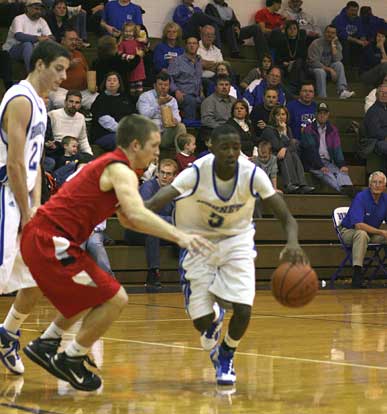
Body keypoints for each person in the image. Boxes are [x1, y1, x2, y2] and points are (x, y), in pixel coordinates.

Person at [20, 114, 212, 391]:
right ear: (136, 145)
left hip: (51, 238)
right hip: (50, 237)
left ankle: (47, 343)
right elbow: (135, 213)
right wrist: (181, 235)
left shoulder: (120, 171)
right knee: (114, 298)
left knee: (93, 293)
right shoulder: (119, 169)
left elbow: (128, 219)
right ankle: (70, 357)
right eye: (154, 145)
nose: (158, 152)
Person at [145, 124, 308, 387]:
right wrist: (132, 207)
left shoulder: (252, 173)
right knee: (202, 322)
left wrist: (293, 242)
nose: (232, 152)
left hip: (237, 241)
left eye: (236, 147)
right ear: (212, 147)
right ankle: (213, 319)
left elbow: (286, 217)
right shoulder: (197, 171)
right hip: (199, 241)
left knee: (244, 308)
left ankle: (227, 355)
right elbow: (157, 200)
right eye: (225, 147)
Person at [0, 40, 70, 376]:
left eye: (66, 70)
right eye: (59, 68)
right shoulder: (20, 99)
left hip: (25, 198)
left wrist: (37, 207)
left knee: (39, 273)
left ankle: (7, 333)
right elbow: (14, 162)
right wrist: (26, 212)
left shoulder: (41, 104)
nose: (64, 76)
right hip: (5, 195)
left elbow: (36, 163)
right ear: (39, 64)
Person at [124, 158, 179, 292]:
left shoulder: (176, 191)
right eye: (162, 173)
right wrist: (175, 222)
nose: (165, 176)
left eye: (169, 174)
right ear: (157, 173)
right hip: (136, 230)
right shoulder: (148, 187)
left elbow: (182, 215)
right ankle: (153, 273)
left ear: (175, 176)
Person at [339, 171, 387, 288]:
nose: (377, 185)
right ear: (369, 185)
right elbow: (358, 225)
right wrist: (381, 232)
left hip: (371, 233)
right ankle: (357, 275)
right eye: (374, 182)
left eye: (380, 182)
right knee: (361, 234)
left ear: (384, 186)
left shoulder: (385, 199)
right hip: (349, 232)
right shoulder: (361, 197)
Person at [300, 102, 354, 196]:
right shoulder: (308, 129)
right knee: (327, 174)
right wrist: (320, 166)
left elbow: (337, 149)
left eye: (324, 113)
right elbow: (311, 151)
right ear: (316, 114)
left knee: (341, 172)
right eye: (320, 113)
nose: (322, 115)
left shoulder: (333, 130)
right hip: (313, 163)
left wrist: (342, 165)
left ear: (328, 114)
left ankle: (349, 189)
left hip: (328, 162)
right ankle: (344, 191)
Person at [261, 105, 314, 194]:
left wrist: (285, 146)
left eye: (283, 114)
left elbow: (293, 145)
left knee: (292, 153)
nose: (281, 117)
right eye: (278, 115)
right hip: (272, 158)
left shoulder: (287, 128)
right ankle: (289, 184)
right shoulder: (268, 130)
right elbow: (277, 146)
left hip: (285, 155)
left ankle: (302, 184)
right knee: (288, 153)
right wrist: (284, 135)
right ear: (274, 117)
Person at [137, 72, 186, 155]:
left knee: (181, 126)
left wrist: (175, 120)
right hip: (150, 135)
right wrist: (158, 104)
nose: (163, 87)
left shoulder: (172, 100)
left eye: (166, 85)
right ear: (155, 85)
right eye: (160, 84)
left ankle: (182, 156)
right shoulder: (145, 97)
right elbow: (144, 115)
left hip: (166, 134)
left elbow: (178, 117)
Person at [205, 0, 269, 60]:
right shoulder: (211, 6)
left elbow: (236, 22)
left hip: (233, 32)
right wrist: (230, 24)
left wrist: (237, 27)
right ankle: (235, 52)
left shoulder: (229, 9)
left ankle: (264, 57)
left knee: (256, 28)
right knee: (229, 27)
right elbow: (215, 21)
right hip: (221, 33)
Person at [2, 0, 54, 71]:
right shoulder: (19, 19)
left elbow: (50, 37)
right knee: (27, 44)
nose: (39, 11)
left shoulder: (42, 21)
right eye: (36, 9)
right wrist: (38, 38)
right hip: (13, 49)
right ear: (27, 8)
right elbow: (19, 36)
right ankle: (31, 73)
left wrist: (49, 38)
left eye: (40, 9)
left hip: (35, 50)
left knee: (49, 46)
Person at [90, 71, 135, 152]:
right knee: (123, 142)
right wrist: (124, 132)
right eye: (109, 80)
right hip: (104, 134)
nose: (112, 82)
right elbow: (106, 121)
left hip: (125, 132)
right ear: (105, 83)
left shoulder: (125, 98)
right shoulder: (101, 99)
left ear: (119, 84)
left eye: (114, 80)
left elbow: (132, 116)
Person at [307, 25, 355, 99]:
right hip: (314, 68)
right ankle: (322, 96)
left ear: (335, 35)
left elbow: (338, 59)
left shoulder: (337, 43)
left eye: (333, 33)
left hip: (328, 67)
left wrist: (333, 45)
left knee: (339, 64)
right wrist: (329, 69)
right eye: (328, 32)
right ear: (324, 33)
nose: (330, 35)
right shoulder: (316, 43)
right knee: (320, 72)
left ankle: (342, 91)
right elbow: (313, 62)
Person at [167, 37, 203, 121]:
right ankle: (190, 129)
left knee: (208, 102)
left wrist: (201, 91)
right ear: (185, 46)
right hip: (183, 94)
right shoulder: (177, 61)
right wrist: (176, 91)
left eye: (194, 43)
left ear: (198, 46)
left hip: (197, 95)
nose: (192, 45)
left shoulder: (199, 61)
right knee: (191, 101)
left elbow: (198, 78)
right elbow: (169, 77)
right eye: (189, 43)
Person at [48, 90, 93, 155]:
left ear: (80, 105)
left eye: (77, 102)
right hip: (56, 150)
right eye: (71, 101)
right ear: (65, 102)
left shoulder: (81, 117)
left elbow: (83, 140)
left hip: (74, 152)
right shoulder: (53, 115)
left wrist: (90, 155)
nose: (74, 105)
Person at [272, 20, 307, 93]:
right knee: (278, 71)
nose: (292, 31)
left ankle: (293, 88)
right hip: (284, 65)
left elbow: (303, 57)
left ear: (298, 30)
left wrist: (293, 63)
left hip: (297, 66)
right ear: (286, 30)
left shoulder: (301, 42)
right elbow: (278, 57)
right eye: (290, 28)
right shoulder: (281, 41)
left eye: (294, 28)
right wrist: (285, 63)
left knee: (299, 67)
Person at [331, 1, 368, 66]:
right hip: (341, 40)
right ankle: (346, 67)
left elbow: (361, 32)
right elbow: (342, 34)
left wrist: (363, 40)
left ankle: (359, 68)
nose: (354, 13)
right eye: (352, 10)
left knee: (366, 45)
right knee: (345, 43)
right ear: (346, 9)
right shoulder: (339, 18)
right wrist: (358, 41)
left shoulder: (358, 19)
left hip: (354, 41)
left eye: (356, 11)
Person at [362, 84, 387, 172]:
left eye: (386, 93)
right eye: (382, 92)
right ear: (376, 95)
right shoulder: (373, 111)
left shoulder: (384, 109)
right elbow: (374, 132)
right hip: (375, 142)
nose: (384, 95)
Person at [118, 22, 147, 96]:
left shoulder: (137, 41)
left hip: (139, 68)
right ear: (123, 32)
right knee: (132, 91)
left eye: (130, 31)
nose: (128, 33)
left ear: (134, 32)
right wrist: (128, 56)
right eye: (126, 31)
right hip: (130, 69)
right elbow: (120, 54)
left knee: (139, 91)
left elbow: (145, 49)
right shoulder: (122, 43)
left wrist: (145, 41)